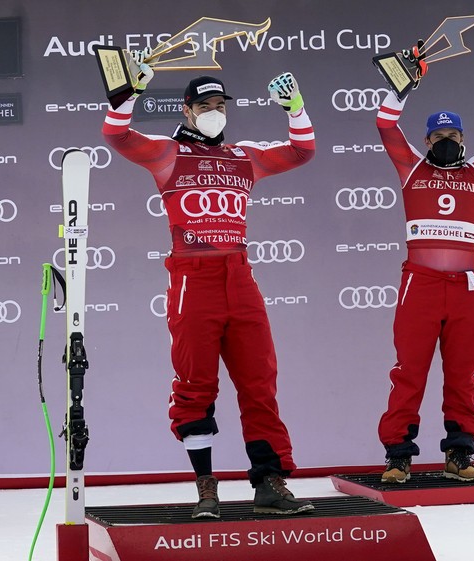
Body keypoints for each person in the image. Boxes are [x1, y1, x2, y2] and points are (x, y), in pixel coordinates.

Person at [102, 50, 316, 518]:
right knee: (196, 384)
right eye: (204, 106)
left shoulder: (245, 157)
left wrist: (295, 108)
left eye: (220, 105)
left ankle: (269, 482)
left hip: (240, 276)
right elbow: (115, 135)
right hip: (192, 279)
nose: (214, 113)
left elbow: (302, 150)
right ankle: (206, 487)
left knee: (259, 383)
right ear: (186, 110)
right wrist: (127, 93)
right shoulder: (167, 152)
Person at [375, 47, 474, 483]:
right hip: (419, 284)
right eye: (438, 138)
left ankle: (460, 454)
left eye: (453, 137)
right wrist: (403, 87)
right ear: (426, 142)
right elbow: (385, 123)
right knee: (409, 371)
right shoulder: (411, 169)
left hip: (465, 287)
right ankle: (398, 455)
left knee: (463, 373)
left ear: (463, 139)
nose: (446, 144)